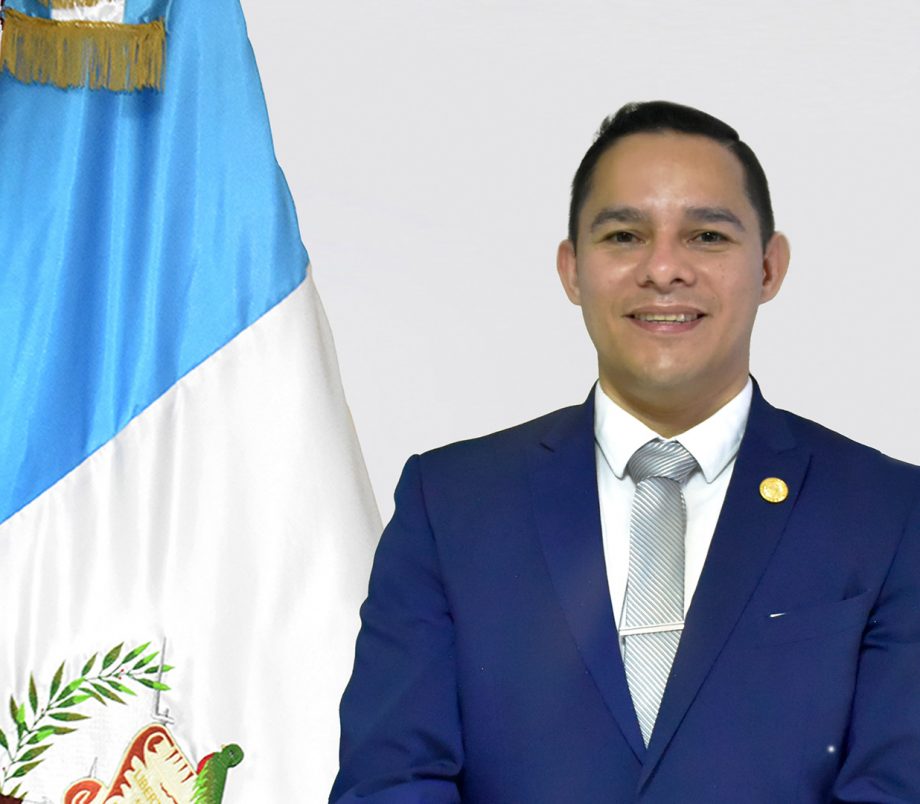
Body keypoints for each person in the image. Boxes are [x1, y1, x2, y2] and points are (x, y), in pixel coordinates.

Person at [330, 101, 920, 802]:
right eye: (623, 236)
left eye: (706, 235)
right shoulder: (452, 503)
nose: (663, 269)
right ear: (572, 270)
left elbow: (898, 782)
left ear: (769, 267)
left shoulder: (890, 512)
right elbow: (392, 778)